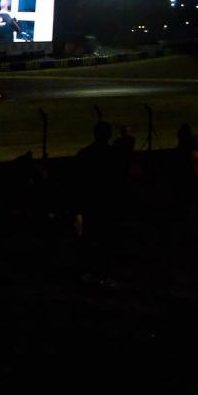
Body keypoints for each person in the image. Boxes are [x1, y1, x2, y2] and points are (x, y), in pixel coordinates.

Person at [74, 121, 119, 287]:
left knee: (88, 240)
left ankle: (86, 273)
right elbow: (117, 182)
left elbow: (78, 183)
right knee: (106, 242)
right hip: (106, 206)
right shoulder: (113, 155)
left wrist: (77, 209)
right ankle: (103, 275)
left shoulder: (85, 154)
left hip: (90, 205)